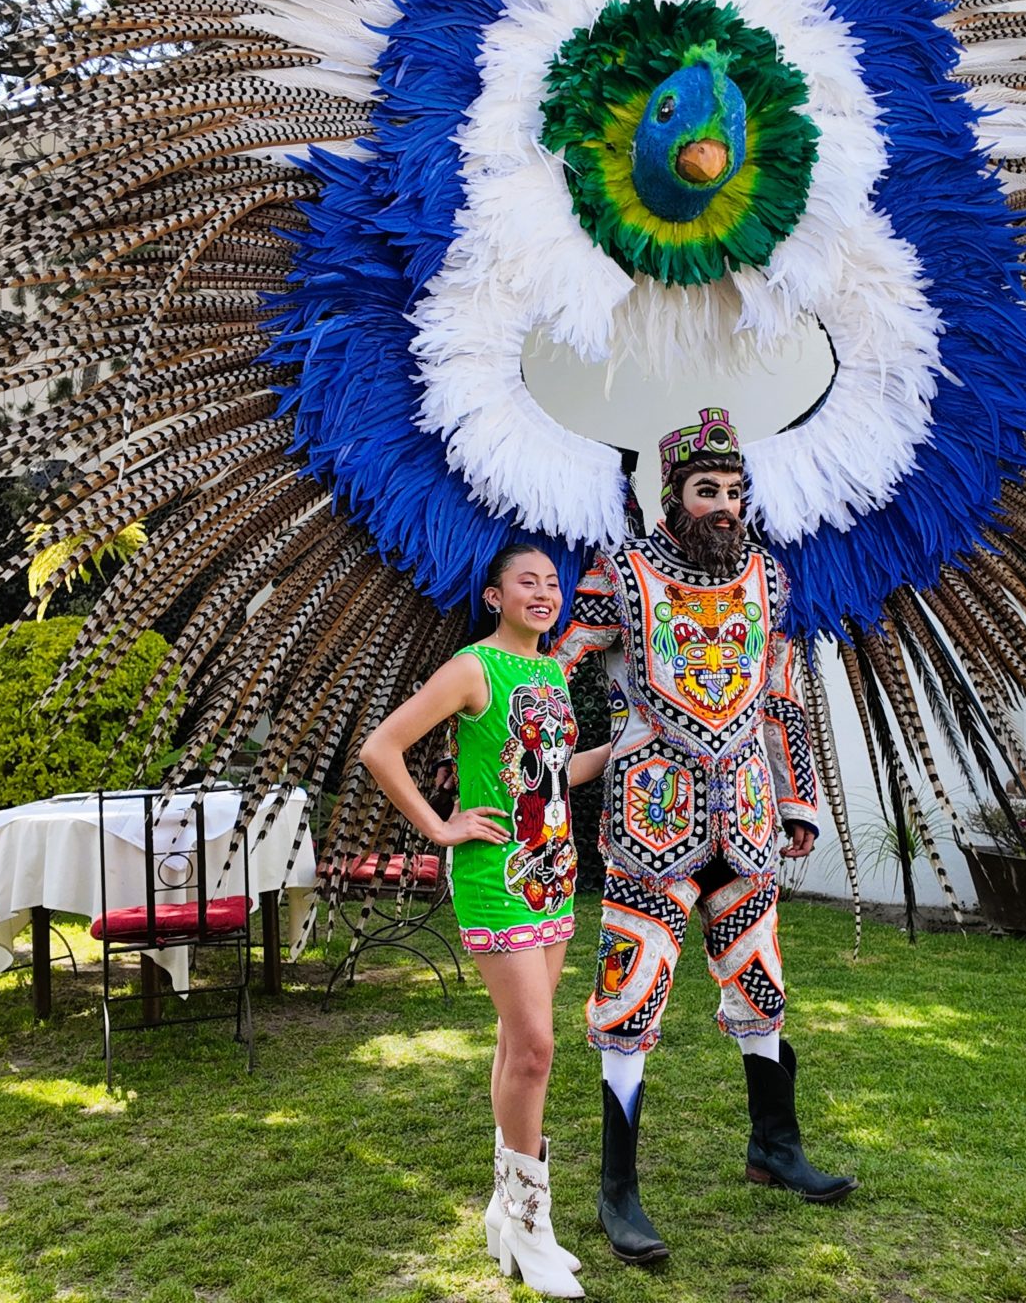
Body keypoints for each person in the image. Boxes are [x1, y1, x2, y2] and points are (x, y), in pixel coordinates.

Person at [552, 405, 857, 1267]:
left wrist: (797, 802)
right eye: (707, 489)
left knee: (759, 988)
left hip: (751, 823)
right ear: (674, 495)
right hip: (651, 821)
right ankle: (618, 1190)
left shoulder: (768, 577)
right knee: (629, 997)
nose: (725, 504)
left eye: (733, 490)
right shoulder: (620, 578)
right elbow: (552, 671)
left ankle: (775, 1147)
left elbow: (783, 697)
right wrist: (533, 764)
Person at [361, 543, 610, 1297]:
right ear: (494, 596)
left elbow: (548, 774)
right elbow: (383, 748)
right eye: (526, 583)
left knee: (517, 1046)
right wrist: (440, 827)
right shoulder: (473, 668)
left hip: (554, 878)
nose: (544, 593)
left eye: (551, 584)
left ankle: (505, 1211)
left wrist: (618, 749)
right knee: (537, 1047)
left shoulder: (548, 672)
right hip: (495, 878)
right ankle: (534, 1224)